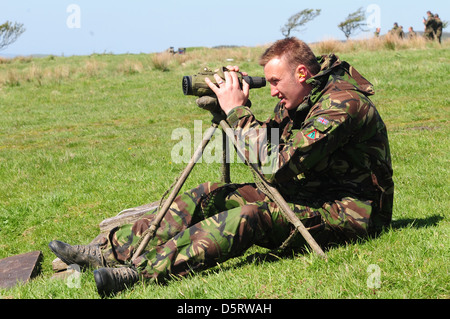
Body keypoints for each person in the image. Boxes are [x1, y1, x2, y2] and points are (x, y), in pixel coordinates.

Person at [49, 37, 394, 297]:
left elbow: (278, 163)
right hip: (308, 194)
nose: (272, 91)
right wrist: (233, 107)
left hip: (349, 213)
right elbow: (270, 141)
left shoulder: (342, 105)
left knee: (249, 216)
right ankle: (107, 251)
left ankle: (139, 273)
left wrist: (237, 112)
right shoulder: (302, 99)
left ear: (302, 73)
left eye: (274, 82)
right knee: (213, 194)